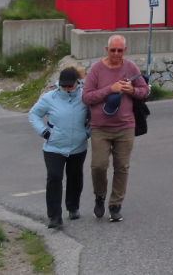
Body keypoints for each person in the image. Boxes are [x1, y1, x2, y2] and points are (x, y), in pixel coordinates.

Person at [82, 35, 149, 222]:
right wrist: (109, 89)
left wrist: (132, 90)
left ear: (125, 50)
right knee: (99, 166)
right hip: (100, 127)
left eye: (120, 50)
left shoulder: (131, 67)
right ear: (107, 49)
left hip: (125, 126)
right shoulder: (96, 69)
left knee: (122, 167)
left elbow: (145, 91)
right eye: (113, 50)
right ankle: (100, 196)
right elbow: (86, 97)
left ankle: (115, 205)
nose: (116, 54)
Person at [28, 66, 89, 229]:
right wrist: (44, 131)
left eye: (70, 85)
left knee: (75, 176)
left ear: (77, 82)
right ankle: (54, 216)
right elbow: (33, 114)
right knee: (54, 177)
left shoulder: (85, 96)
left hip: (78, 145)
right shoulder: (49, 98)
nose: (67, 88)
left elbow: (94, 115)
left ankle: (73, 207)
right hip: (54, 146)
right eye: (64, 85)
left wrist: (87, 132)